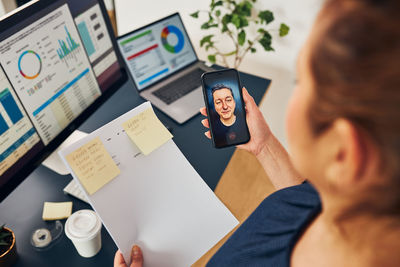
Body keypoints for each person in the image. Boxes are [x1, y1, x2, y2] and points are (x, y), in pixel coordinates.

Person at [115, 0, 400, 266]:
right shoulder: (347, 202)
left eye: (299, 80)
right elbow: (301, 198)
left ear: (343, 152)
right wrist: (263, 146)